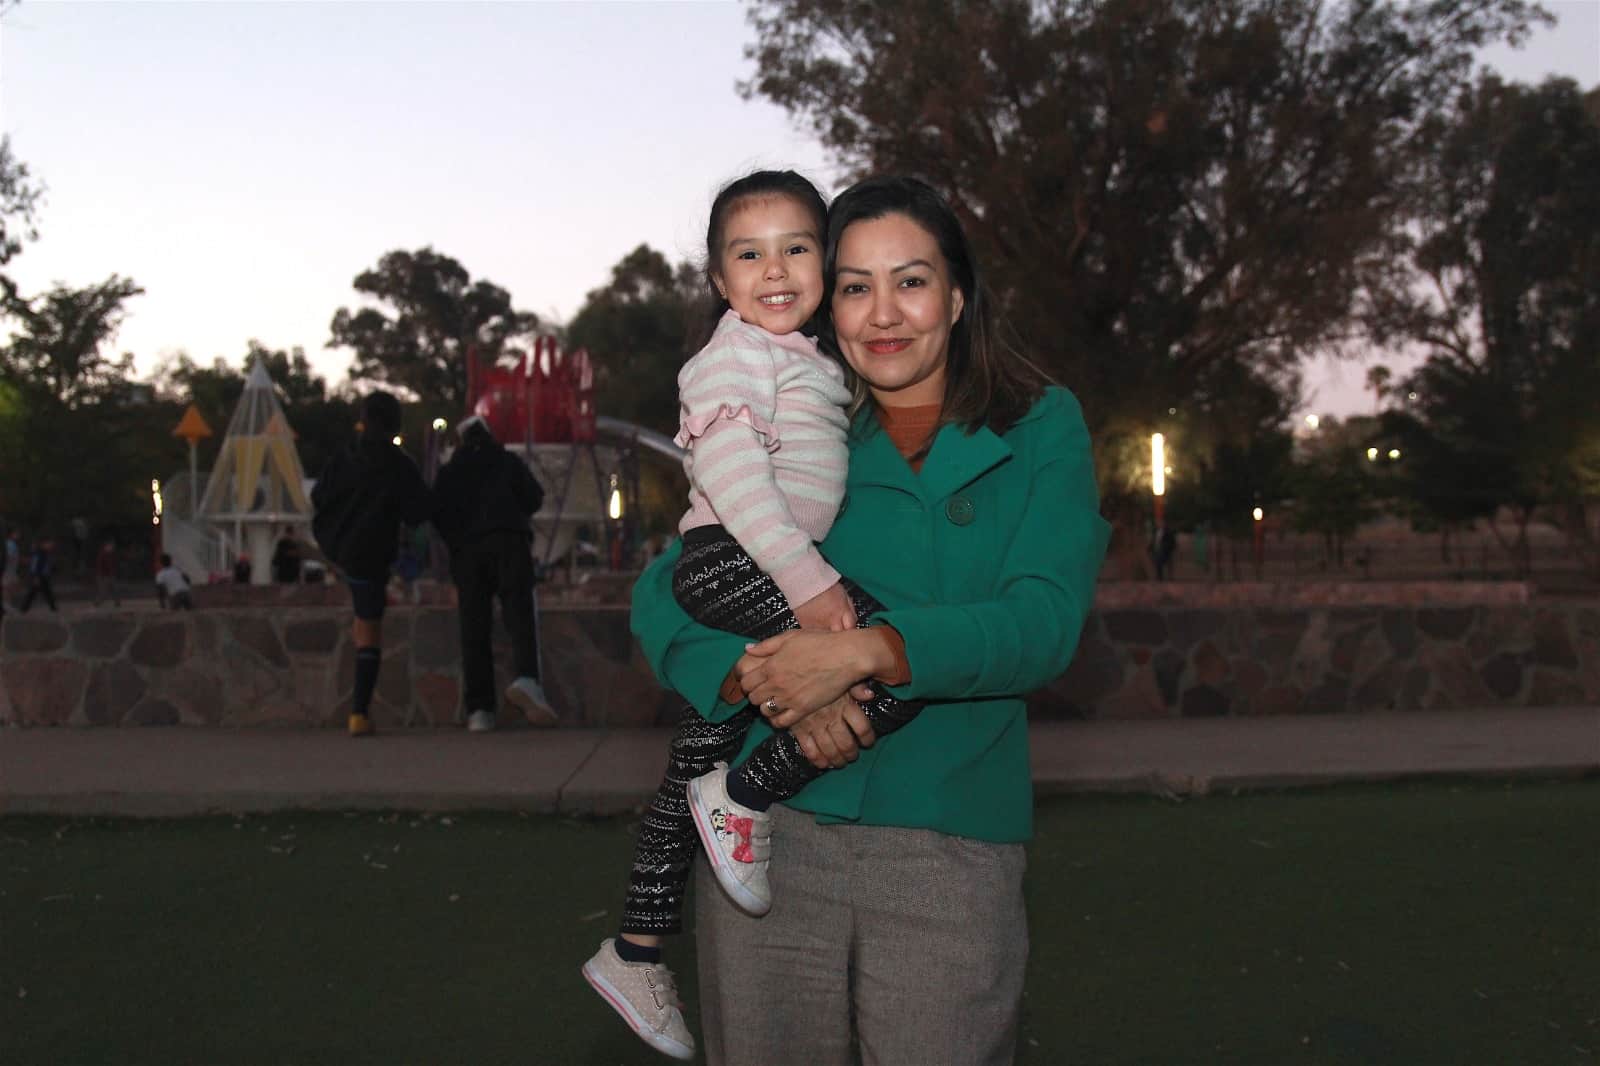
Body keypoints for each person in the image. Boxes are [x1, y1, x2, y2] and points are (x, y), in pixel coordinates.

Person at [627, 176, 1109, 1065]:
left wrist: (865, 653)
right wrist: (764, 679)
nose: (883, 312)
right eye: (855, 285)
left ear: (958, 296)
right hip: (767, 843)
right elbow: (667, 592)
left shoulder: (1041, 425)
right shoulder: (800, 408)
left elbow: (1043, 621)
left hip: (950, 842)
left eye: (912, 280)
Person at [581, 170, 924, 1060]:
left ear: (823, 262)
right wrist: (813, 592)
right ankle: (745, 792)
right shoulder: (733, 356)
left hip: (751, 567)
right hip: (739, 562)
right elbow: (737, 485)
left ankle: (635, 949)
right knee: (897, 661)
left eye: (796, 247)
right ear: (719, 278)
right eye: (749, 252)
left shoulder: (804, 359)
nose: (775, 268)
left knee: (693, 749)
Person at [311, 391, 431, 737]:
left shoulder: (344, 458)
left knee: (363, 622)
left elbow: (320, 497)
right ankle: (359, 712)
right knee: (369, 630)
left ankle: (359, 712)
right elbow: (419, 510)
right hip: (373, 554)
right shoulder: (398, 464)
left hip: (342, 549)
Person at [431, 414, 553, 732]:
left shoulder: (450, 472)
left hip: (468, 554)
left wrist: (458, 542)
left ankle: (480, 710)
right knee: (520, 615)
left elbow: (437, 514)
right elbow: (534, 498)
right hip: (509, 543)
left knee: (474, 628)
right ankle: (527, 679)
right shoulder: (506, 461)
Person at [19, 538, 57, 613]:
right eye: (50, 544)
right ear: (45, 544)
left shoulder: (44, 552)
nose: (51, 546)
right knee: (33, 592)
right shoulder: (40, 553)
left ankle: (53, 607)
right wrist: (36, 577)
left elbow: (46, 564)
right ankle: (24, 609)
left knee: (47, 592)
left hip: (43, 576)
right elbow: (36, 565)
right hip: (39, 576)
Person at [93, 539, 120, 606]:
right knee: (103, 591)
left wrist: (113, 572)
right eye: (110, 546)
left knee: (114, 589)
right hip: (103, 575)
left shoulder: (111, 554)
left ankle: (117, 602)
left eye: (112, 547)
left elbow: (113, 564)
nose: (112, 548)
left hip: (110, 575)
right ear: (106, 546)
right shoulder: (102, 554)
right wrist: (101, 575)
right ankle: (97, 602)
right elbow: (100, 566)